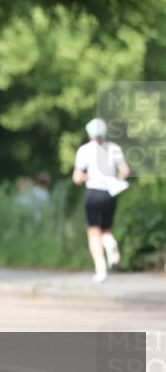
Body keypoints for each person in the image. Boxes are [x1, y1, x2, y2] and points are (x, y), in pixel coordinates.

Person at [72, 118, 130, 283]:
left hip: (93, 193)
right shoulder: (114, 148)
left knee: (93, 231)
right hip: (110, 193)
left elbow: (76, 178)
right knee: (106, 229)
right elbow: (125, 170)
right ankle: (110, 243)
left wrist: (85, 176)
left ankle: (100, 269)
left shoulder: (84, 150)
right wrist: (115, 179)